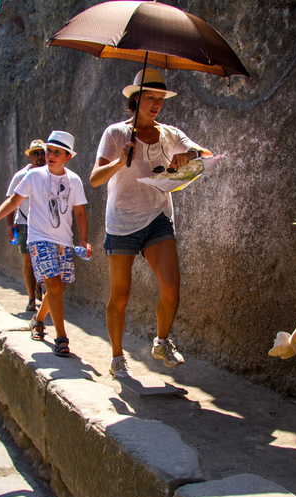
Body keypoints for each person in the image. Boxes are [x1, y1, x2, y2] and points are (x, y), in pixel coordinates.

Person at [90, 69, 212, 378]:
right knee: (120, 295)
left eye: (161, 99)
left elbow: (204, 154)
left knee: (171, 286)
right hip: (121, 222)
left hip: (158, 217)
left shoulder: (170, 133)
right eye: (150, 98)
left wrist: (191, 155)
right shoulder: (116, 133)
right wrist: (120, 160)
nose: (157, 104)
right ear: (135, 99)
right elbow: (95, 179)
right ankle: (117, 357)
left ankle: (161, 341)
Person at [0, 131, 91, 357]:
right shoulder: (32, 176)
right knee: (54, 286)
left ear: (67, 157)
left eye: (57, 152)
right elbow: (13, 201)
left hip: (64, 243)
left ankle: (37, 320)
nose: (50, 155)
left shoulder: (74, 180)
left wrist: (84, 240)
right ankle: (61, 338)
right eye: (49, 151)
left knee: (58, 289)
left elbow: (80, 213)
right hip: (38, 239)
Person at [6, 139, 47, 312]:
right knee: (28, 261)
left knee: (45, 261)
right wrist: (9, 226)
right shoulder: (20, 176)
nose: (40, 157)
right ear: (30, 156)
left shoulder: (51, 174)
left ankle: (39, 286)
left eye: (42, 153)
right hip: (24, 224)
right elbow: (11, 201)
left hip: (45, 225)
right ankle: (31, 298)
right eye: (36, 153)